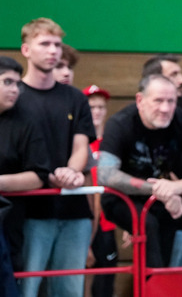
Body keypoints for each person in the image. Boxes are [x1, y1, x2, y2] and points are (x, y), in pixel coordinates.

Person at [98, 74, 182, 269]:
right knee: (147, 224)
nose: (165, 108)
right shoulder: (120, 123)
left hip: (166, 198)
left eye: (171, 101)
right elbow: (106, 174)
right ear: (140, 100)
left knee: (174, 227)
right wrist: (159, 190)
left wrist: (176, 188)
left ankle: (161, 284)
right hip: (122, 198)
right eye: (158, 101)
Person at [16, 18, 96, 297]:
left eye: (57, 45)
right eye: (45, 44)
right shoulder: (15, 97)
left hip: (73, 210)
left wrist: (72, 172)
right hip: (30, 212)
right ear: (26, 50)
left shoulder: (75, 98)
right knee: (26, 287)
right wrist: (48, 177)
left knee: (69, 290)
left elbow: (80, 146)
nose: (53, 51)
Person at [0, 56, 49, 297]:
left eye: (17, 84)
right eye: (7, 82)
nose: (14, 89)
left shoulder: (26, 121)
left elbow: (39, 175)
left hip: (9, 221)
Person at [83, 84, 117, 297]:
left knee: (106, 279)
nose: (96, 111)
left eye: (100, 107)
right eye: (92, 106)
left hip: (108, 221)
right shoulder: (79, 144)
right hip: (84, 220)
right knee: (81, 276)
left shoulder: (112, 144)